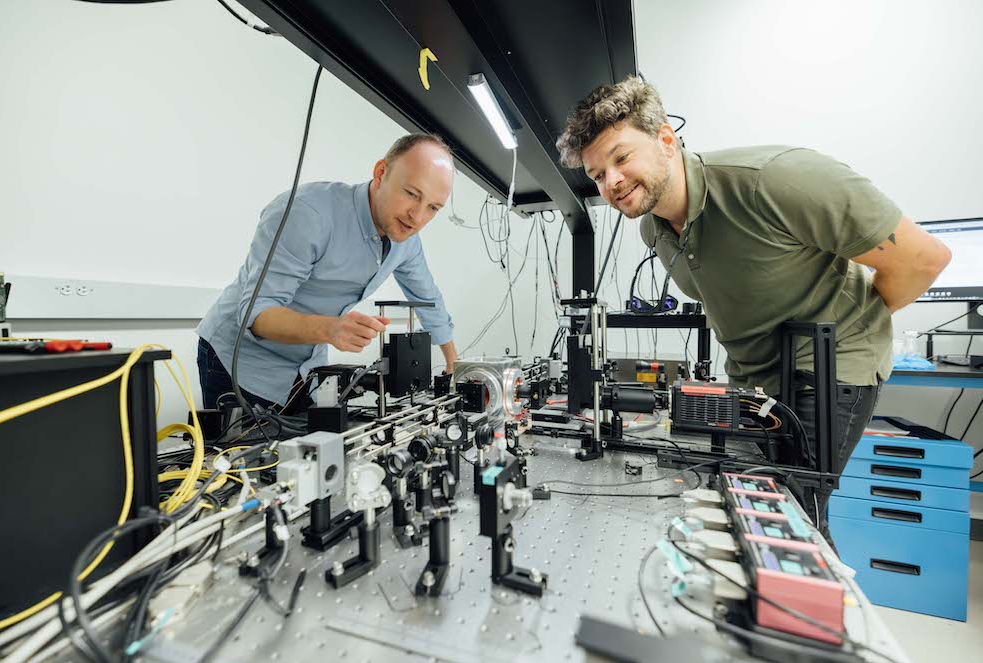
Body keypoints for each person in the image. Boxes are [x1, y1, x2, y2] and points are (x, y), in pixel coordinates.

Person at [556, 76, 951, 538]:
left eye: (621, 157)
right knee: (751, 506)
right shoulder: (654, 229)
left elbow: (923, 259)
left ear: (665, 140)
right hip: (753, 379)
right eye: (598, 175)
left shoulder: (774, 180)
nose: (612, 182)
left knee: (791, 522)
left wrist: (857, 328)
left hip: (827, 371)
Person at [196, 133, 458, 414]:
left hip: (306, 369)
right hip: (241, 363)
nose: (417, 217)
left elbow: (428, 298)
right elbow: (256, 313)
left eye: (433, 207)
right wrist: (331, 329)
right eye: (412, 194)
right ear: (381, 172)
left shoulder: (406, 240)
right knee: (248, 444)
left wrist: (455, 367)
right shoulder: (308, 213)